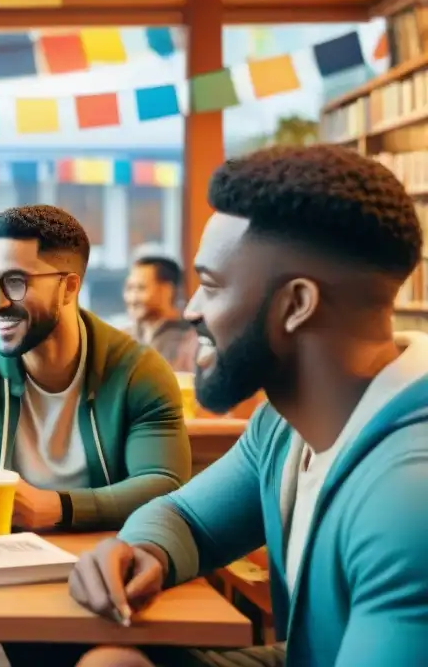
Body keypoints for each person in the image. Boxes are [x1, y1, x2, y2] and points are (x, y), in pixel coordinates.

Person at [70, 145, 428, 667]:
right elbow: (187, 518)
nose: (191, 310)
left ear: (297, 305)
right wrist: (145, 551)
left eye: (211, 287)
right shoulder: (283, 428)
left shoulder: (407, 497)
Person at [0, 205, 190, 667]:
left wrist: (57, 507)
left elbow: (165, 483)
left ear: (69, 286)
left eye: (16, 282)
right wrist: (5, 497)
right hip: (8, 566)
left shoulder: (140, 372)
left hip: (106, 575)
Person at [123, 251, 197, 373]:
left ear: (166, 290)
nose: (132, 298)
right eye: (129, 288)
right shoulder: (124, 338)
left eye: (140, 288)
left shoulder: (191, 340)